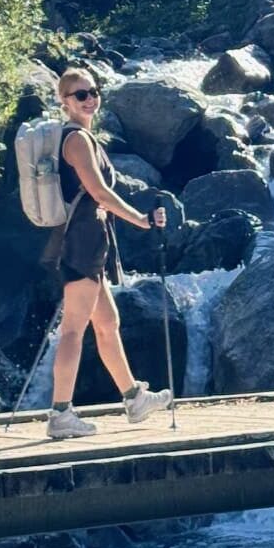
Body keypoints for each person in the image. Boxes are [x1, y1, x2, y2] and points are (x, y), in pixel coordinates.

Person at [46, 66, 173, 441]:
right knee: (73, 330)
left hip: (91, 243)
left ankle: (134, 398)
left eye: (93, 92)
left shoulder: (85, 137)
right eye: (80, 95)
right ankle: (60, 413)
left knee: (107, 322)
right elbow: (99, 192)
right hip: (81, 244)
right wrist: (142, 220)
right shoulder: (76, 140)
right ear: (65, 101)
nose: (90, 99)